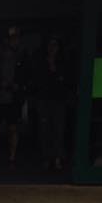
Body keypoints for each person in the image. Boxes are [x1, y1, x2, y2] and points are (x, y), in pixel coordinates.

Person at [0, 25, 28, 169]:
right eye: (12, 38)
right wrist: (0, 84)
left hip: (13, 98)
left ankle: (12, 158)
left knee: (13, 129)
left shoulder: (21, 57)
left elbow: (25, 77)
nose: (14, 41)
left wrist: (18, 86)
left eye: (16, 38)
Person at [30, 35, 72, 171]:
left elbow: (67, 81)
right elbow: (37, 80)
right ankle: (46, 158)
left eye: (55, 45)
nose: (52, 48)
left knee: (58, 130)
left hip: (59, 100)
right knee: (44, 130)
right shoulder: (41, 62)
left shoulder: (63, 63)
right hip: (44, 100)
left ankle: (57, 158)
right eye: (50, 45)